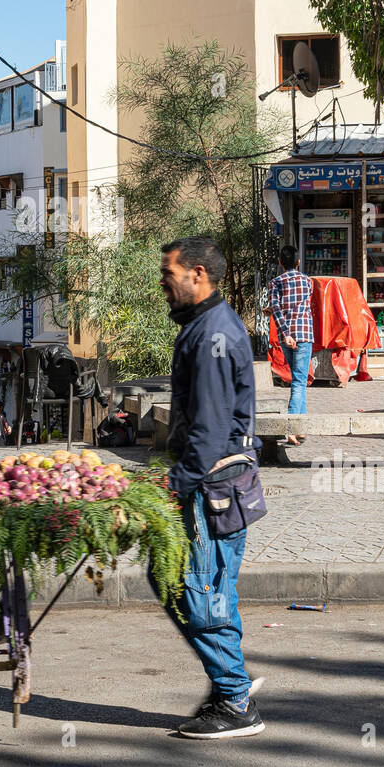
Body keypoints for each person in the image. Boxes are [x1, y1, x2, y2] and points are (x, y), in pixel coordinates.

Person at [156, 236, 265, 741]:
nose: (163, 283)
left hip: (212, 488)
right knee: (182, 586)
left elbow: (210, 431)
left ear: (198, 274)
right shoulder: (204, 327)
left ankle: (235, 699)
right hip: (206, 483)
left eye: (169, 273)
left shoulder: (214, 334)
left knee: (201, 593)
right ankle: (228, 686)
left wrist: (174, 485)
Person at [267, 242, 314, 444]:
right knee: (299, 381)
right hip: (304, 335)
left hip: (286, 338)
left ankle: (300, 426)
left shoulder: (275, 283)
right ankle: (291, 427)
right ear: (298, 262)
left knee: (298, 380)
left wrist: (285, 333)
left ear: (280, 262)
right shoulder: (308, 282)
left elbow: (278, 309)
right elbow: (299, 307)